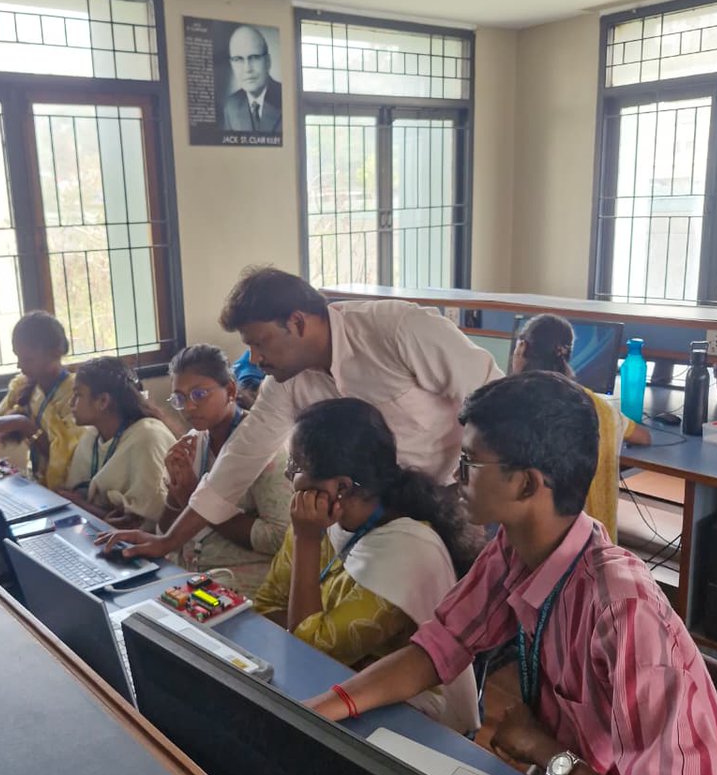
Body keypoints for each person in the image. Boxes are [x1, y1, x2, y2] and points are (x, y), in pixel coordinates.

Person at [307, 373, 717, 775]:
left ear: (527, 483)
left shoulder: (620, 609)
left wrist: (545, 752)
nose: (457, 476)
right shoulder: (515, 548)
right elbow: (438, 648)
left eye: (470, 463)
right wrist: (321, 710)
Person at [101, 267, 501, 562]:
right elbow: (239, 460)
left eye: (260, 343)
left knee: (453, 626)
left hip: (448, 502)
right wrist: (166, 541)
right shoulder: (285, 381)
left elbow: (491, 400)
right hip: (361, 515)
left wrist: (479, 490)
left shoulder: (397, 329)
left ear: (297, 322)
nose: (254, 359)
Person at [254, 398, 481, 733]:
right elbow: (267, 604)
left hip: (414, 711)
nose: (290, 479)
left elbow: (310, 653)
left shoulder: (407, 553)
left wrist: (306, 541)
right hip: (342, 682)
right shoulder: (321, 520)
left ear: (341, 487)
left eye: (295, 467)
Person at [146, 344, 289, 594]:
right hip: (192, 571)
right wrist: (175, 490)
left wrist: (195, 496)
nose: (188, 407)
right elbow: (165, 533)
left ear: (230, 390)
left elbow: (280, 538)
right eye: (179, 398)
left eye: (199, 395)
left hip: (245, 578)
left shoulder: (265, 448)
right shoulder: (195, 442)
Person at [510, 313, 651, 540]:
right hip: (598, 545)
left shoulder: (513, 407)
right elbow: (644, 437)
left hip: (540, 547)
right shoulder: (599, 407)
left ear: (522, 347)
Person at [0, 311, 80, 490]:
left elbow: (70, 461)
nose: (20, 366)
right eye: (17, 357)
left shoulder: (76, 394)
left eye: (28, 359)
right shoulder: (22, 386)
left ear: (55, 353)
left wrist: (26, 426)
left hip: (67, 491)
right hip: (36, 484)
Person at [59, 357, 175, 526]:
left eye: (78, 395)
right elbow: (77, 492)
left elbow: (148, 521)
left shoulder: (147, 437)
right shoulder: (91, 437)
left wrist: (78, 505)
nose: (71, 403)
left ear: (103, 401)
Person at [222, 26, 282, 134]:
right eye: (238, 59)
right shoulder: (231, 106)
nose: (247, 69)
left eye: (254, 57)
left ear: (268, 61)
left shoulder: (285, 98)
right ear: (231, 64)